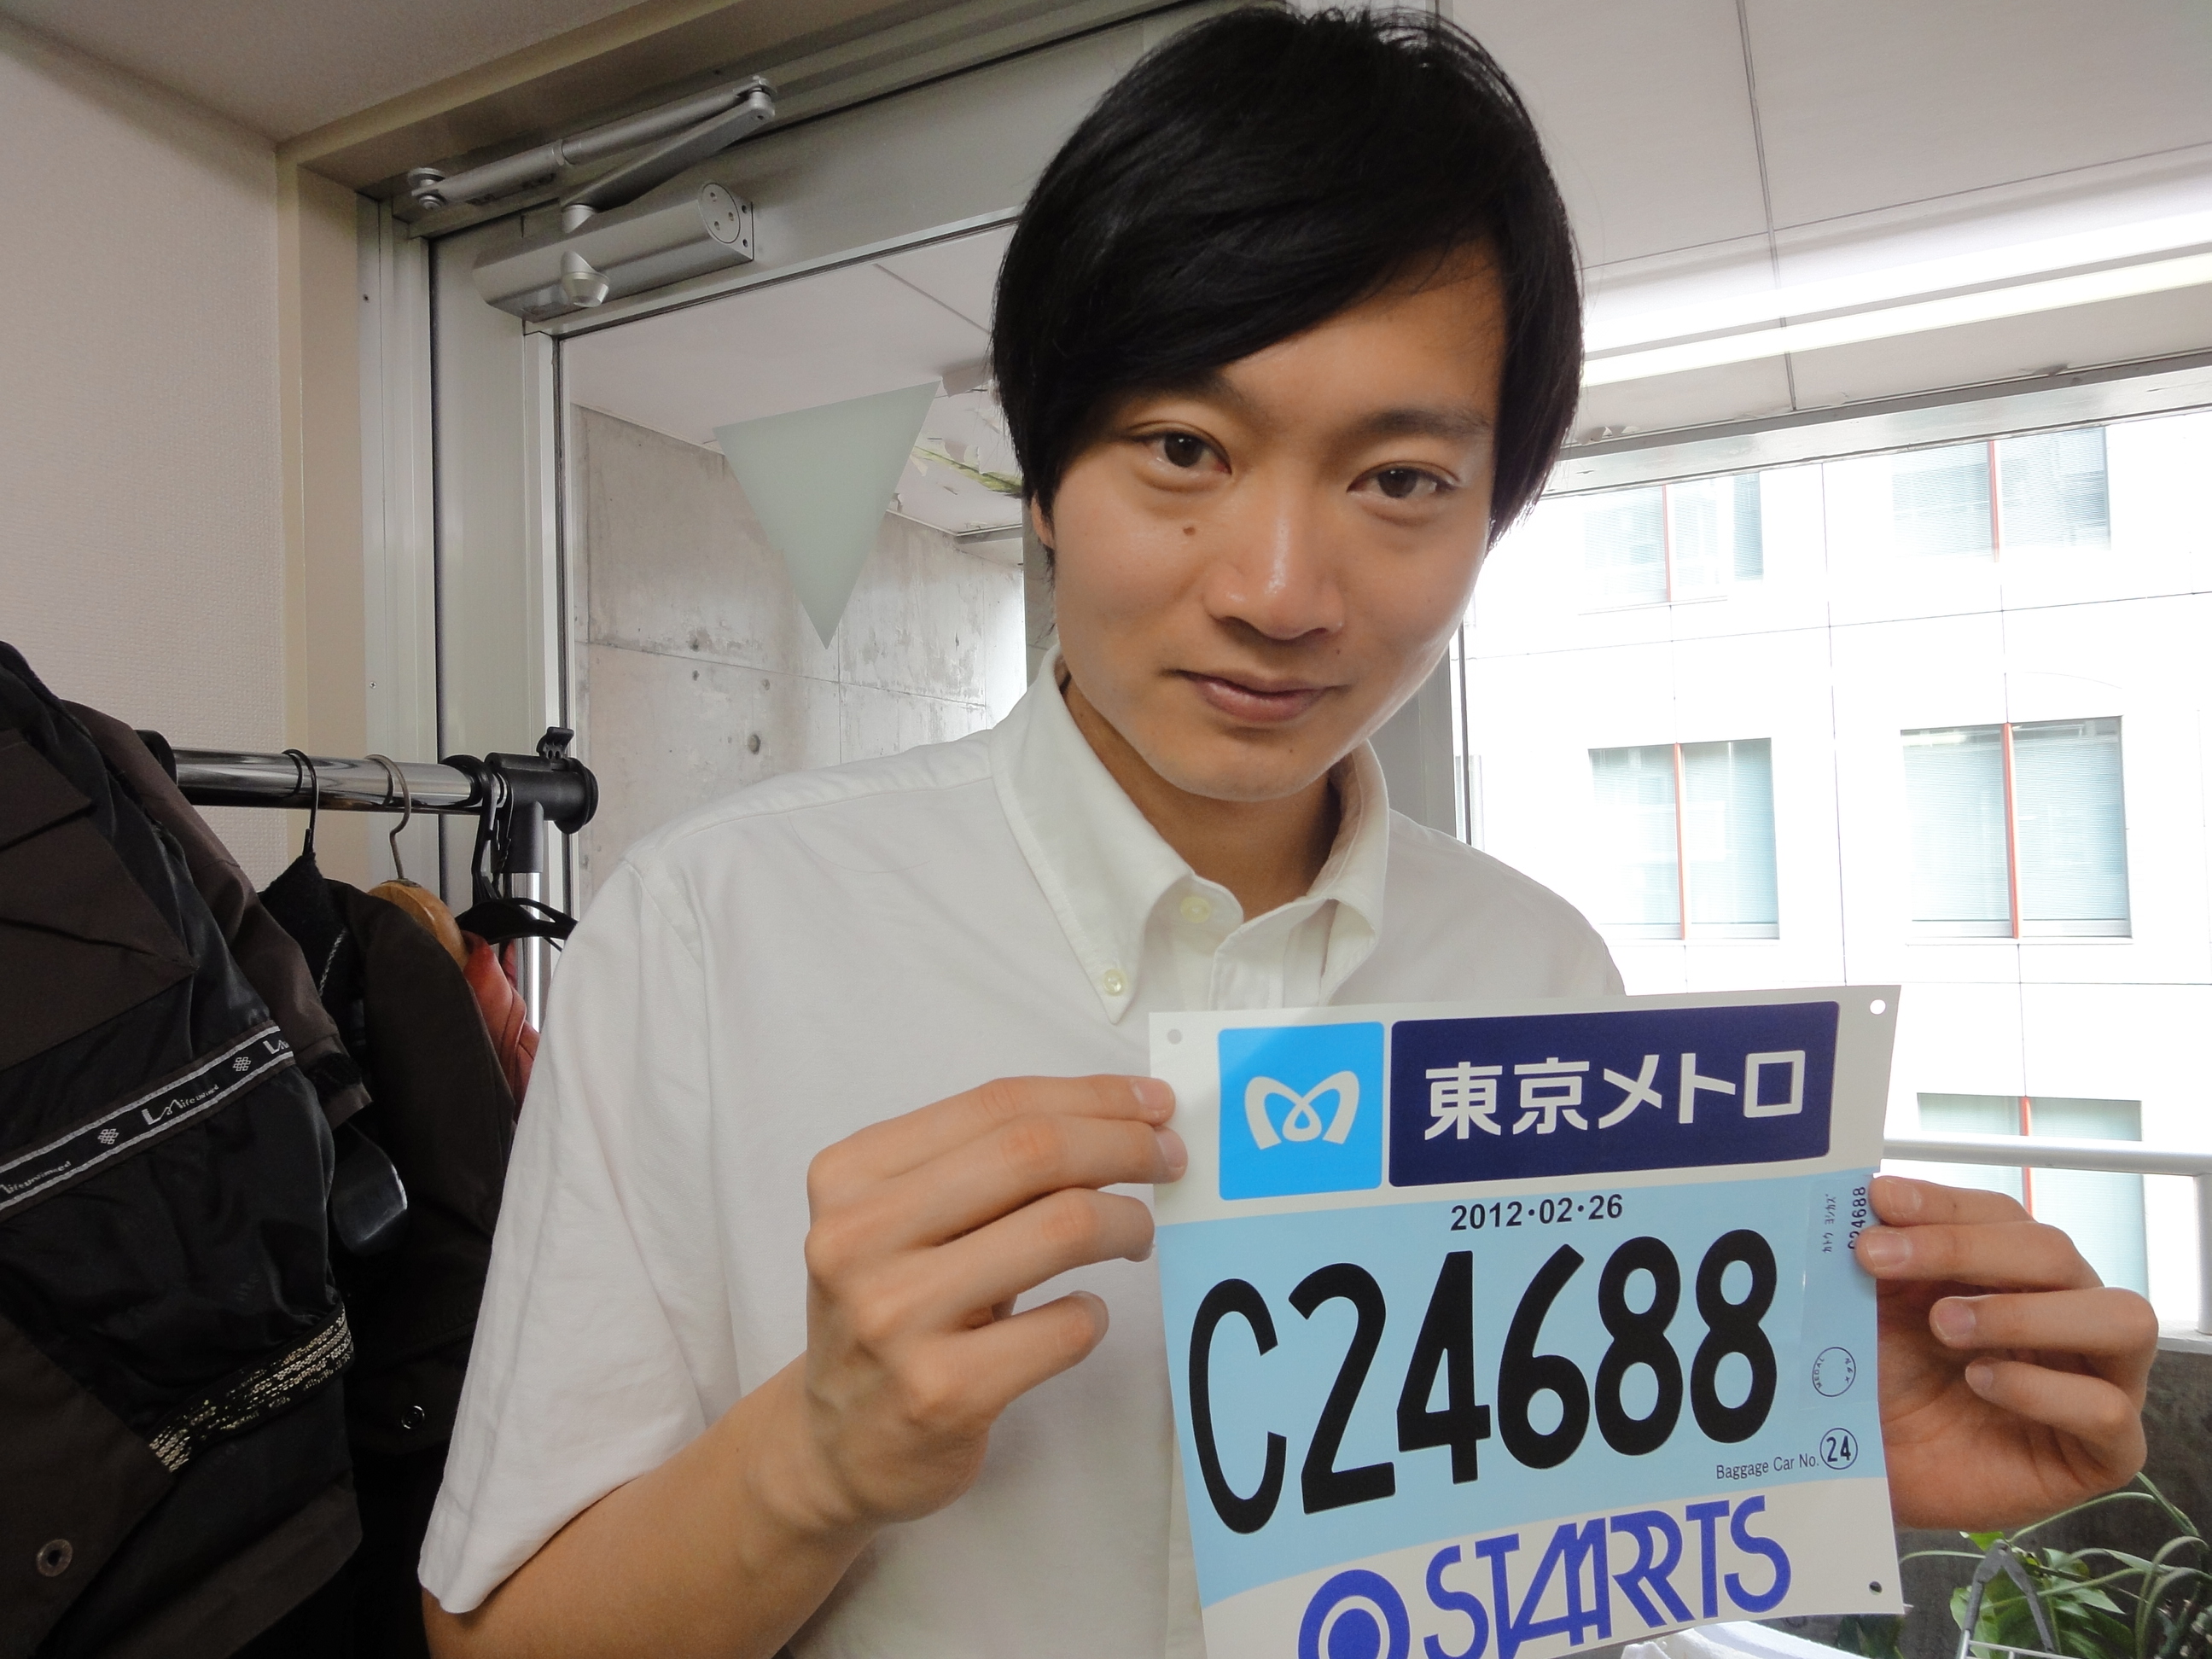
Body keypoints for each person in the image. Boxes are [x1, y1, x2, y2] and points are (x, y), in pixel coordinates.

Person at [420, 10, 2160, 1656]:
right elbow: (488, 1638)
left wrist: (1784, 1442)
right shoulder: (717, 927)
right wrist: (813, 1459)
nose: (1276, 591)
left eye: (1400, 480)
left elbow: (1543, 1583)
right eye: (1184, 447)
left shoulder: (1538, 973)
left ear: (1495, 511)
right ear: (1044, 474)